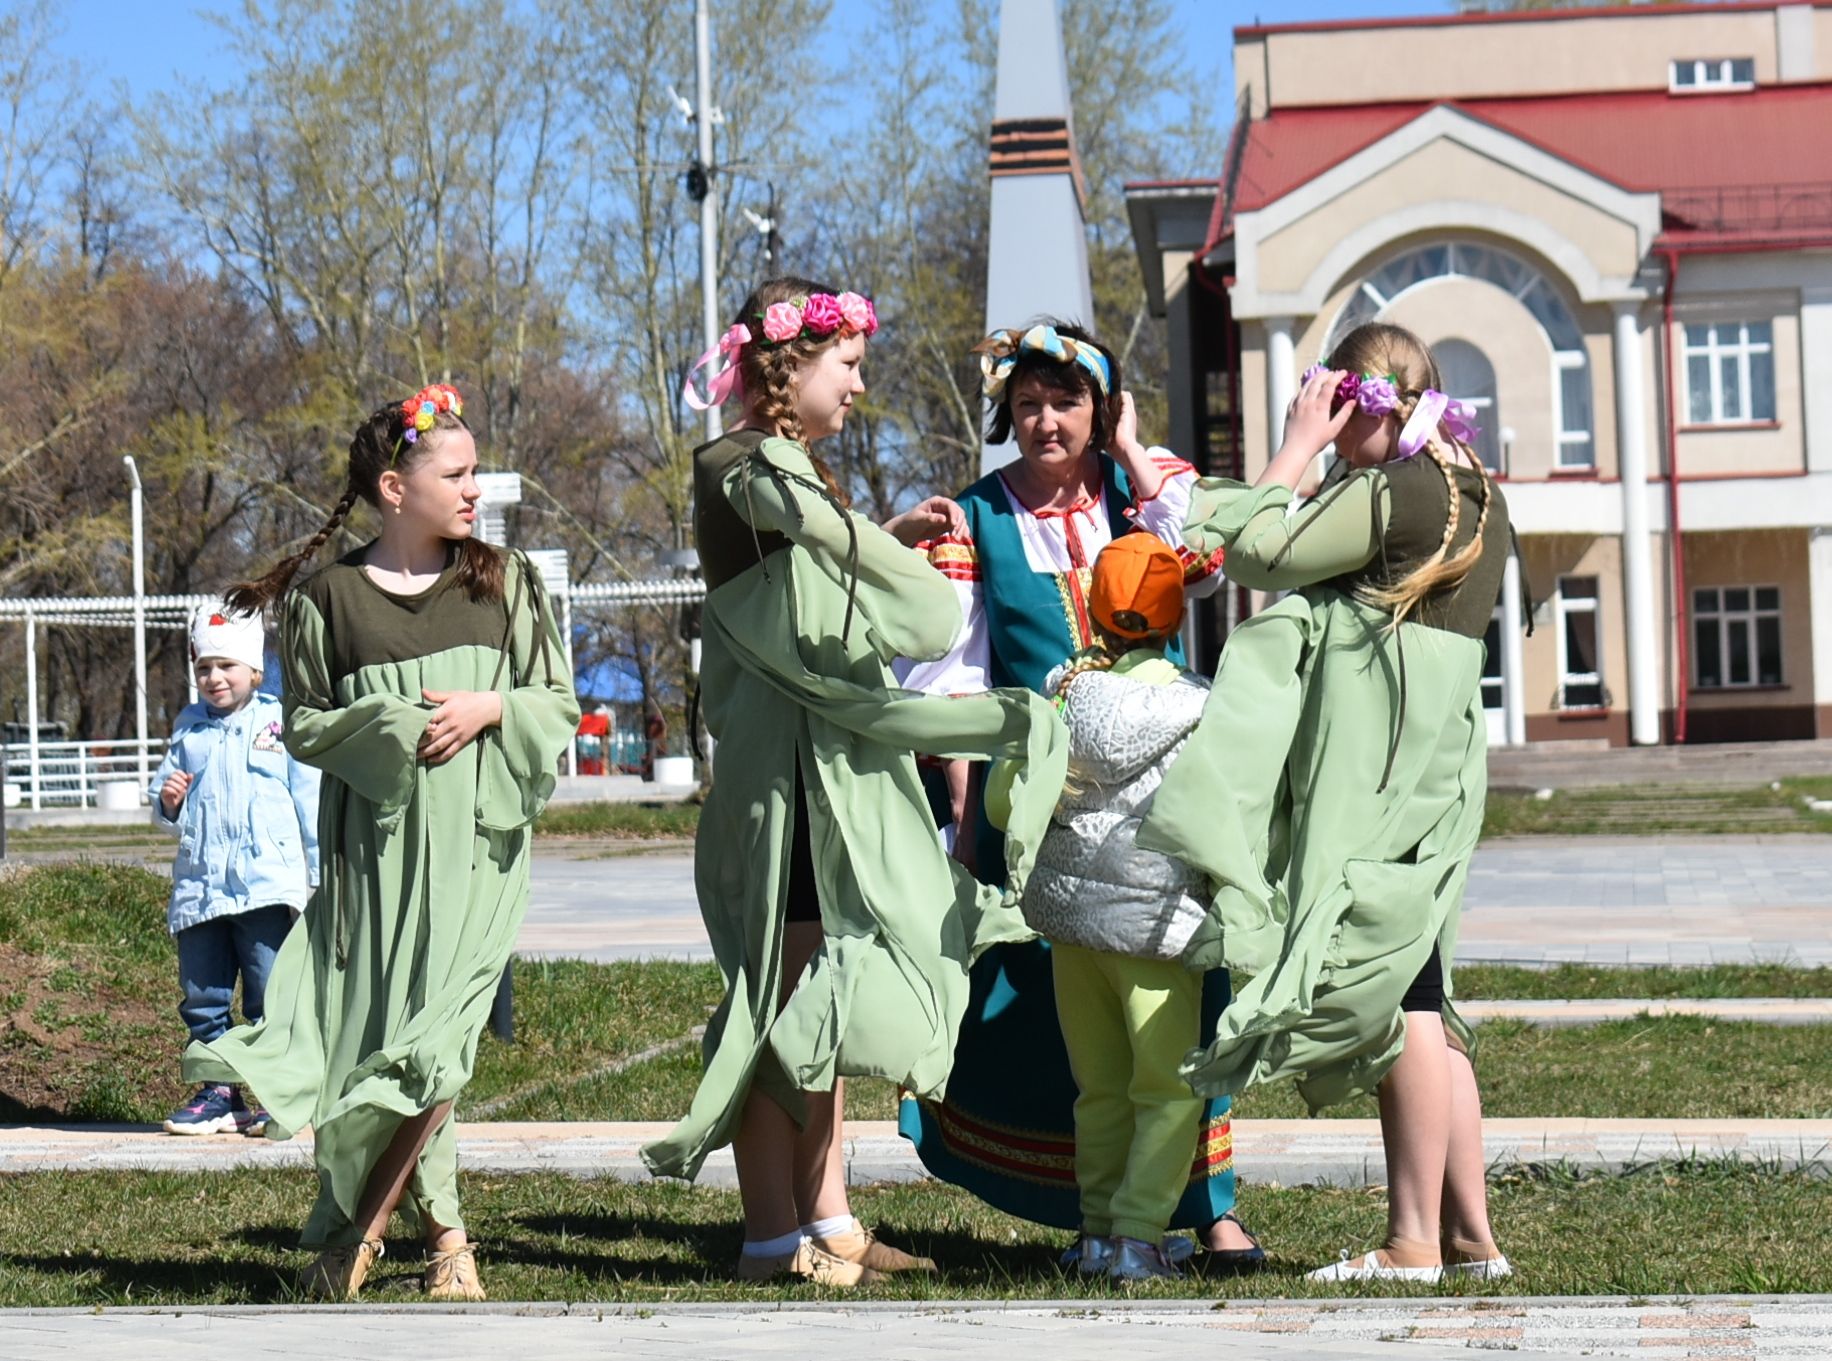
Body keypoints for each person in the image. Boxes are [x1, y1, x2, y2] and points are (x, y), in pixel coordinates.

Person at [642, 277, 1068, 1287]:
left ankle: (825, 1218)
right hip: (783, 789)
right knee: (782, 1003)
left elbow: (813, 586)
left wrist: (878, 536)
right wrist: (879, 547)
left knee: (822, 1002)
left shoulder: (792, 476)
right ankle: (767, 1234)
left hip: (825, 779)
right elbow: (811, 571)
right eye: (850, 365)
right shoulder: (742, 464)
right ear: (790, 367)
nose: (860, 385)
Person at [1139, 321, 1519, 1282]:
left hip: (1377, 758)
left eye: (1327, 398)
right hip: (1437, 757)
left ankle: (1412, 1242)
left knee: (1397, 994)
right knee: (1423, 977)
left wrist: (1298, 447)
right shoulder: (1474, 485)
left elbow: (1263, 553)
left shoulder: (1398, 492)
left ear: (1355, 401)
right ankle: (1470, 1237)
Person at [186, 382, 580, 1302]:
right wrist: (387, 720)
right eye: (459, 472)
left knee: (438, 1041)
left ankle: (385, 1237)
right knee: (388, 1043)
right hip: (377, 864)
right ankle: (442, 1242)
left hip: (479, 857)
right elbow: (312, 727)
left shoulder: (504, 579)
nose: (476, 488)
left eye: (475, 470)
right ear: (396, 487)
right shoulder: (328, 598)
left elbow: (553, 701)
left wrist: (493, 706)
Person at [897, 321, 1260, 1262]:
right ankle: (1100, 1217)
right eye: (1026, 405)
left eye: (1066, 401)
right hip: (1039, 809)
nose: (1046, 421)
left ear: (1102, 410)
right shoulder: (977, 519)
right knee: (1065, 1034)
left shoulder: (1139, 503)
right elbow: (955, 682)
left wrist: (1136, 450)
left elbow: (1214, 554)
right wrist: (973, 817)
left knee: (1183, 1012)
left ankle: (1201, 1206)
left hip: (1161, 805)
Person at [1009, 533, 1219, 1281]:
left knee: (1098, 1089)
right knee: (1166, 1089)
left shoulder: (1066, 694)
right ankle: (1138, 1233)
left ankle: (1097, 1232)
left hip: (1072, 924)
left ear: (1093, 614)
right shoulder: (1199, 705)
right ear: (1175, 619)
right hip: (1156, 924)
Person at [151, 602, 319, 1136]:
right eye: (204, 668)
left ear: (254, 668)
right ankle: (219, 1094)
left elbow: (307, 800)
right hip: (201, 890)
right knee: (203, 995)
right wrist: (169, 800)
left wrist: (316, 873)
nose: (214, 678)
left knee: (271, 992)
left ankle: (277, 1091)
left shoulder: (278, 722)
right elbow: (165, 802)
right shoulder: (189, 729)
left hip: (265, 886)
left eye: (227, 666)